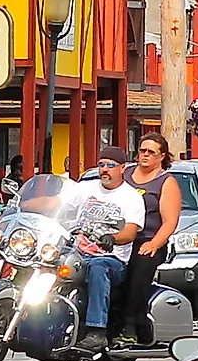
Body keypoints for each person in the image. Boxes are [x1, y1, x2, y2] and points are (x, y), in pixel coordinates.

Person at [108, 135, 185, 347]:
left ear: (161, 156)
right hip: (117, 239)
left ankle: (130, 326)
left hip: (147, 240)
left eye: (151, 152)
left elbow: (170, 221)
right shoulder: (126, 175)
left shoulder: (166, 182)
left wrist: (154, 244)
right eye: (142, 150)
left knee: (138, 267)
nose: (145, 155)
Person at [79, 148, 146, 338]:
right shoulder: (85, 188)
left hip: (112, 258)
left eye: (110, 165)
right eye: (101, 165)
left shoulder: (131, 197)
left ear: (122, 168)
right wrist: (28, 203)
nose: (105, 170)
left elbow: (130, 232)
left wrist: (113, 238)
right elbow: (58, 202)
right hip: (77, 251)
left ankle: (96, 330)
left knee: (98, 267)